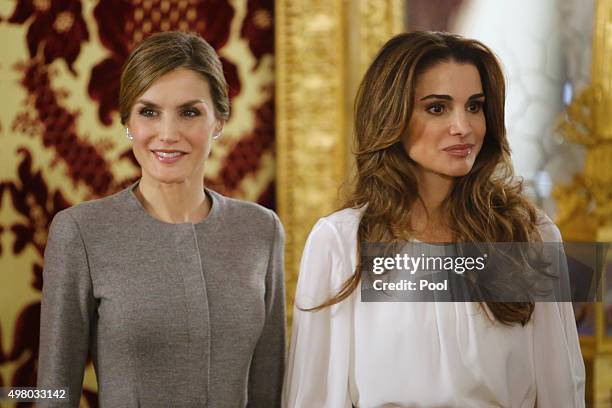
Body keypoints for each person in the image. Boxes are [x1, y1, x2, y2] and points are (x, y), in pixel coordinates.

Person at [283, 31, 585, 407]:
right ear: (390, 115)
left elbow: (561, 389)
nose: (463, 126)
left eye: (474, 106)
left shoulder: (529, 235)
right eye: (437, 108)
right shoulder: (341, 240)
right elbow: (313, 396)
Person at [37, 31, 285, 407]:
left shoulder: (260, 230)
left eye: (189, 112)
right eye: (149, 112)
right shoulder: (81, 232)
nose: (167, 134)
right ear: (127, 122)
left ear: (218, 121)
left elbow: (269, 388)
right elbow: (52, 391)